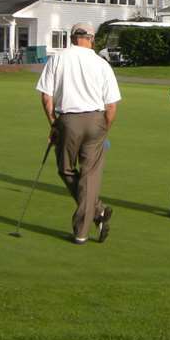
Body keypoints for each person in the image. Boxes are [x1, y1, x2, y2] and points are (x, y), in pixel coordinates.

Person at [36, 22, 121, 244]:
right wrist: (104, 129)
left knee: (65, 169)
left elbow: (46, 97)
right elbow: (112, 106)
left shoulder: (58, 58)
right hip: (96, 120)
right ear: (91, 39)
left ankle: (81, 230)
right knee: (89, 176)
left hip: (67, 120)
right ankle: (97, 211)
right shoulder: (102, 64)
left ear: (72, 37)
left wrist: (53, 124)